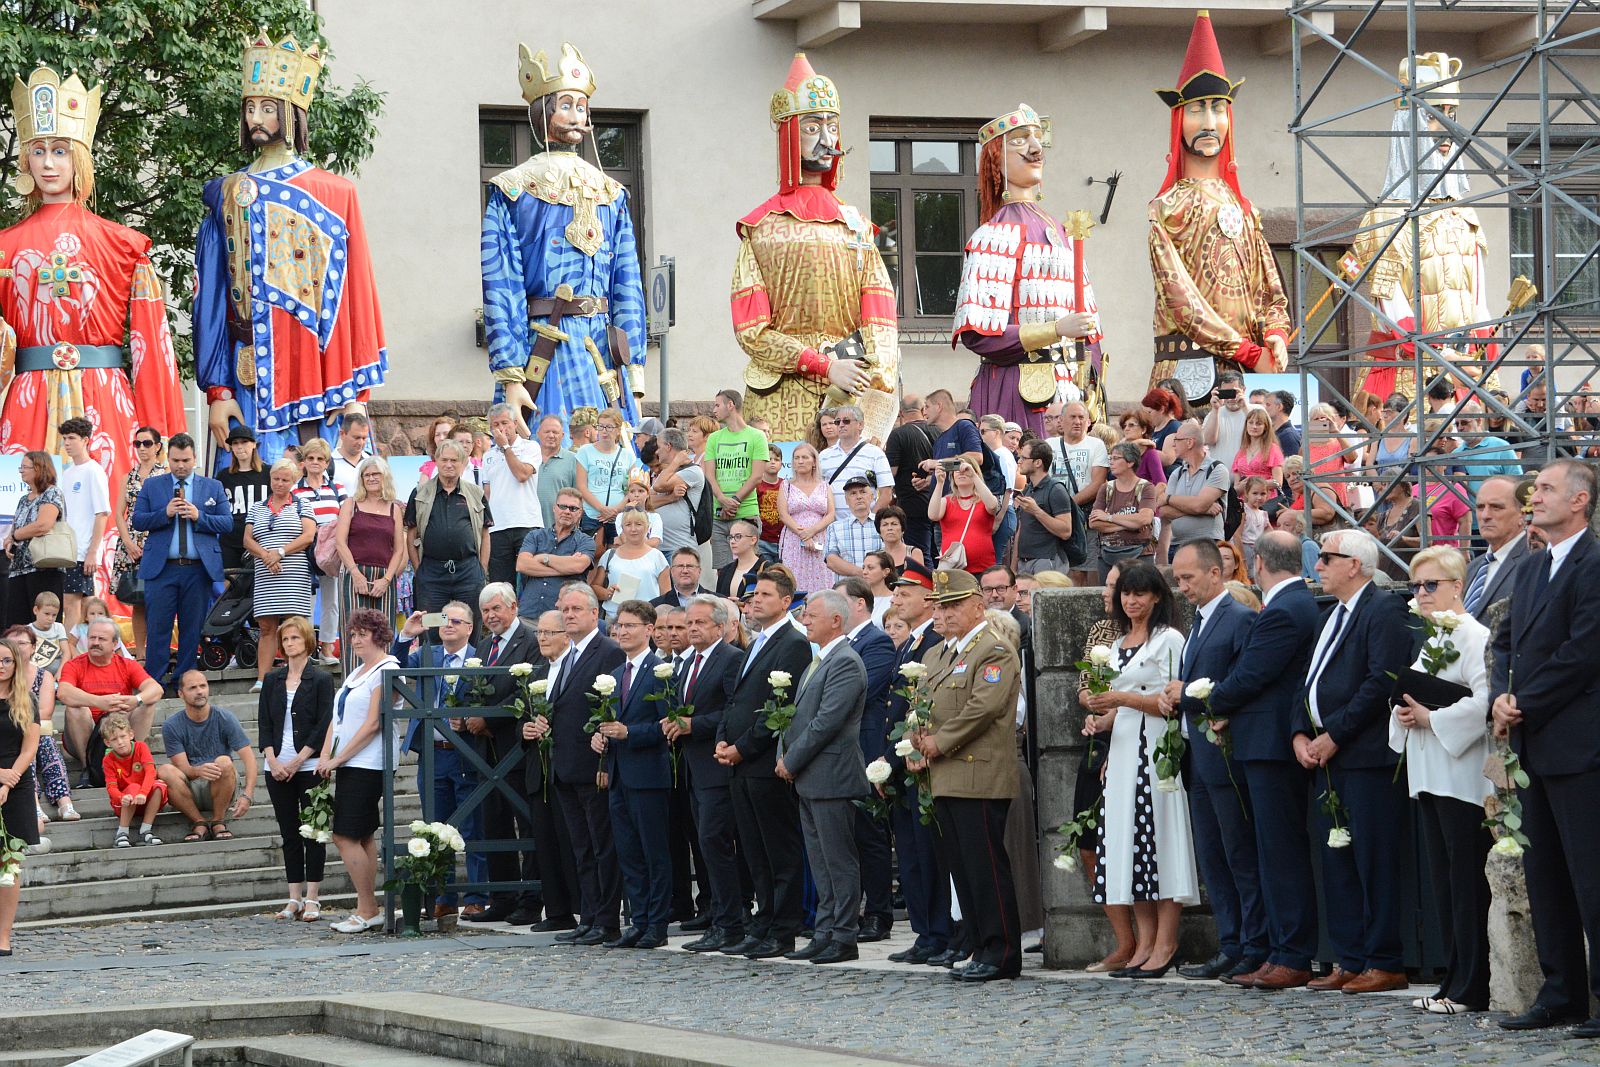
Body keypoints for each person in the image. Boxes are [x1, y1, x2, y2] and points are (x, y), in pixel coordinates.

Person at [194, 33, 385, 462]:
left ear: (291, 112)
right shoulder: (227, 194)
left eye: (267, 107)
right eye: (250, 107)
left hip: (323, 371)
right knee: (247, 505)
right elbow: (212, 299)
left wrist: (357, 391)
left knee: (330, 509)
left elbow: (354, 297)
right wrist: (218, 390)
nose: (256, 117)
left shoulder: (336, 193)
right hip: (248, 376)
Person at [0, 64, 185, 488]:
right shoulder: (4, 247)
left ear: (79, 157)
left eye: (61, 151)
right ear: (26, 157)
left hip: (104, 398)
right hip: (28, 402)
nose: (48, 163)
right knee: (22, 523)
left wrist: (162, 433)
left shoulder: (123, 245)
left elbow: (150, 349)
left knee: (111, 521)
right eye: (39, 150)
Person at [731, 53, 898, 444]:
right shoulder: (762, 227)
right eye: (812, 127)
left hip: (852, 385)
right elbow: (751, 330)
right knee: (780, 493)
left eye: (832, 126)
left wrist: (876, 374)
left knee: (852, 493)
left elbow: (880, 312)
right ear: (790, 133)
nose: (827, 139)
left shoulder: (855, 226)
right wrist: (823, 366)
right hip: (782, 393)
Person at [480, 42, 645, 433]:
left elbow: (627, 280)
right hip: (545, 348)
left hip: (602, 351)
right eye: (565, 105)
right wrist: (511, 372)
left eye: (581, 106)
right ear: (543, 113)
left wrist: (634, 367)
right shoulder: (513, 189)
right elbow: (501, 282)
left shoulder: (612, 192)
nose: (576, 116)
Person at [1490, 460, 1600, 1036]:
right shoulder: (1532, 568)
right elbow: (1505, 642)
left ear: (1580, 501)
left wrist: (1523, 700)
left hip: (1580, 744)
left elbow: (1585, 652)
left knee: (1591, 876)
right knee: (1545, 877)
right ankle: (1561, 994)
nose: (1535, 497)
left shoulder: (1595, 563)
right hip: (1531, 744)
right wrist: (1501, 698)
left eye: (1549, 489)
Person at [1206, 531, 1323, 990]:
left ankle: (1291, 952)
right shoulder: (1290, 604)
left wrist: (1205, 700)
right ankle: (1279, 949)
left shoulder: (1284, 609)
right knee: (1272, 852)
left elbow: (1252, 675)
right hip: (1265, 743)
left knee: (1280, 853)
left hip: (1272, 746)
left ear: (1256, 563)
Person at [1146, 18, 1289, 392]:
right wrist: (1244, 350)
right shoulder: (1167, 209)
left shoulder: (1244, 208)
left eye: (1218, 109)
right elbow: (1182, 300)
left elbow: (1270, 288)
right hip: (1188, 369)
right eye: (1197, 110)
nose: (1210, 121)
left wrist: (1275, 333)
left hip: (1250, 370)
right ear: (1179, 120)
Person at [1298, 529, 1412, 994]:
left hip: (1364, 757)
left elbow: (1379, 682)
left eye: (1327, 557)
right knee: (1337, 859)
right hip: (1326, 757)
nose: (1318, 565)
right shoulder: (1333, 613)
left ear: (1356, 565)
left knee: (1373, 859)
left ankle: (1384, 959)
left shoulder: (1381, 608)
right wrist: (1299, 733)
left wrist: (1334, 735)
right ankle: (1350, 957)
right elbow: (1310, 679)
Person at [950, 104, 1102, 437]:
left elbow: (1090, 331)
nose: (1035, 149)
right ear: (996, 159)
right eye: (1020, 141)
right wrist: (1055, 328)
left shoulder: (1062, 232)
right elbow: (980, 335)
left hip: (1073, 394)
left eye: (1037, 138)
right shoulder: (993, 235)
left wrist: (1093, 386)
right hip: (1018, 390)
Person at [1389, 546, 1493, 1014]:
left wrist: (1431, 717)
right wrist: (1407, 711)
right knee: (1444, 883)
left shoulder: (1472, 635)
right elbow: (1413, 696)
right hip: (1431, 772)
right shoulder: (1434, 639)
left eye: (1431, 585)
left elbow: (1484, 701)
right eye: (1415, 586)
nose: (1422, 594)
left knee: (1466, 881)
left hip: (1462, 773)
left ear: (1457, 587)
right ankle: (1453, 981)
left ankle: (1471, 985)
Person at [1080, 560, 1196, 978]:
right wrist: (1101, 717)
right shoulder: (1113, 645)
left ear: (1158, 597)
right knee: (1131, 848)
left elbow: (1170, 703)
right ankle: (1143, 943)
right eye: (1126, 593)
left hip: (1157, 753)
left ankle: (1166, 943)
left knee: (1159, 843)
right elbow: (1116, 702)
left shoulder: (1169, 640)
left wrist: (1120, 701)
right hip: (1125, 749)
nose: (1131, 600)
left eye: (1140, 593)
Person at [908, 569, 1023, 981]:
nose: (948, 613)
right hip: (944, 773)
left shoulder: (993, 650)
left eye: (955, 604)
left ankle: (1001, 952)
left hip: (978, 773)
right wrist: (913, 743)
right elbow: (918, 704)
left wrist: (939, 742)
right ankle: (979, 945)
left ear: (979, 604)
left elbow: (983, 707)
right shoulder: (937, 654)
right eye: (942, 606)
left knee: (985, 867)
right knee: (962, 868)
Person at [1161, 539, 1266, 981]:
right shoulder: (1200, 621)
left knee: (1238, 851)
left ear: (1215, 574)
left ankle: (1252, 944)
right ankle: (1230, 941)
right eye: (1178, 578)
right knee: (1212, 854)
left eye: (1188, 577)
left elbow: (1245, 682)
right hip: (1197, 753)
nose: (1182, 586)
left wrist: (1188, 695)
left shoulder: (1238, 618)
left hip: (1223, 751)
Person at [714, 566, 815, 958]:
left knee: (779, 848)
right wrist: (724, 738)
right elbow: (736, 698)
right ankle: (764, 920)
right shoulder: (755, 642)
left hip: (763, 763)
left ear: (786, 602)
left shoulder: (792, 642)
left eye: (766, 596)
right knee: (754, 848)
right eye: (753, 595)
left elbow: (779, 708)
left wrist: (743, 746)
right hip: (738, 761)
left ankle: (783, 927)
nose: (755, 600)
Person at [775, 589, 868, 965]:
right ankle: (825, 930)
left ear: (835, 620)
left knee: (838, 859)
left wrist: (791, 759)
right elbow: (799, 718)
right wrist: (785, 753)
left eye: (811, 614)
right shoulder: (820, 660)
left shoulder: (844, 661)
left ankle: (843, 935)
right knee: (820, 859)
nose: (805, 619)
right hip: (811, 775)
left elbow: (826, 722)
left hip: (831, 774)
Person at [392, 605, 491, 921]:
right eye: (443, 619)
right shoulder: (427, 655)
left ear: (470, 627)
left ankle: (477, 896)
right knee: (434, 827)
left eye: (456, 621)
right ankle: (443, 897)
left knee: (474, 827)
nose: (448, 625)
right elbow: (395, 667)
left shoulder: (480, 656)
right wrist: (407, 635)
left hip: (467, 752)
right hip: (432, 754)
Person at [586, 600, 673, 948]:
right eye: (618, 626)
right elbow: (610, 722)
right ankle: (637, 920)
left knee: (654, 852)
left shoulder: (659, 669)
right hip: (619, 775)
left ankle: (657, 923)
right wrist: (600, 736)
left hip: (649, 775)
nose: (621, 632)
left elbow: (668, 725)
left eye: (630, 626)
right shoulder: (618, 674)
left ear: (649, 630)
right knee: (629, 853)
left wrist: (630, 733)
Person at [547, 583, 626, 946]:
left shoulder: (607, 651)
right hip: (566, 764)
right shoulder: (568, 654)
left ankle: (607, 919)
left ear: (595, 613)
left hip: (594, 765)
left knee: (601, 845)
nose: (569, 615)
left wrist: (606, 758)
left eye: (576, 609)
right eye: (565, 610)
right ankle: (589, 914)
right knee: (581, 846)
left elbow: (611, 708)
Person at [668, 596, 747, 953]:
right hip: (692, 768)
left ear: (720, 626)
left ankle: (730, 922)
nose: (693, 628)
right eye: (689, 623)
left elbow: (734, 713)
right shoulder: (688, 663)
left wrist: (692, 725)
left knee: (716, 843)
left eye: (700, 622)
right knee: (705, 845)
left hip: (717, 768)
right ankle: (718, 915)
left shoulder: (731, 659)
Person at [315, 609, 399, 934]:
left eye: (363, 632)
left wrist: (337, 760)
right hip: (350, 761)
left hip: (369, 762)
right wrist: (326, 754)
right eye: (353, 634)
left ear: (378, 634)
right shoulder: (356, 673)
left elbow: (374, 723)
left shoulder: (387, 669)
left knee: (344, 835)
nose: (357, 639)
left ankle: (368, 907)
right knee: (361, 834)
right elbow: (337, 719)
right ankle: (367, 907)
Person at [132, 433, 232, 693]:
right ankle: (153, 683)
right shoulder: (153, 486)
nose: (180, 465)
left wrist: (200, 516)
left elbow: (227, 522)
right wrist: (164, 513)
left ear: (195, 458)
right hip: (162, 569)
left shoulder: (212, 487)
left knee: (191, 629)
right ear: (168, 457)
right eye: (176, 460)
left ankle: (183, 683)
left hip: (197, 569)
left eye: (186, 460)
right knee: (158, 627)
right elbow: (138, 520)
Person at [831, 578, 897, 943]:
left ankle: (878, 913)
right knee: (845, 836)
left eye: (838, 601)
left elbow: (857, 690)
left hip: (865, 750)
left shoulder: (877, 642)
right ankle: (847, 911)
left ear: (859, 604)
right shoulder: (836, 646)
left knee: (870, 836)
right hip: (839, 753)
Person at [258, 615, 334, 923]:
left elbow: (324, 724)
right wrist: (274, 760)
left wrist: (298, 760)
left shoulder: (321, 679)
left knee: (314, 831)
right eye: (285, 639)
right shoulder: (273, 679)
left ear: (307, 641)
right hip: (275, 765)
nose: (289, 644)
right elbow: (264, 723)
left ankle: (313, 897)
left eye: (295, 638)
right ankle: (294, 897)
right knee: (289, 832)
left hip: (310, 764)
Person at [511, 610, 581, 930]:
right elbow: (520, 721)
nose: (541, 638)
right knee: (545, 842)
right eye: (539, 633)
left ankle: (584, 908)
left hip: (568, 769)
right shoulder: (536, 674)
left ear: (567, 636)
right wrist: (525, 730)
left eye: (548, 633)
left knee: (572, 842)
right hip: (539, 772)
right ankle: (556, 911)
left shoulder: (575, 669)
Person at [1072, 563, 1126, 968]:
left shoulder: (1155, 636)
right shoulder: (1099, 631)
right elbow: (1085, 683)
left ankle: (1143, 941)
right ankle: (1122, 937)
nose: (1107, 593)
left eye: (1114, 586)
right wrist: (1091, 704)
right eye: (1106, 585)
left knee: (1130, 842)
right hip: (1096, 738)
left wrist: (1110, 711)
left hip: (1130, 737)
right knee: (1087, 842)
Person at [155, 671, 258, 844]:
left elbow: (249, 759)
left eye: (203, 686)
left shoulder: (225, 718)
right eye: (193, 688)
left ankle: (218, 820)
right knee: (164, 770)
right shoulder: (172, 725)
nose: (200, 691)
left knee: (224, 761)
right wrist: (199, 770)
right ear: (181, 694)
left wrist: (247, 795)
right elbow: (183, 769)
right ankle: (198, 821)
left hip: (221, 786)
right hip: (190, 790)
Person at [245, 459, 317, 691]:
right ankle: (262, 679)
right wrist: (267, 556)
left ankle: (297, 676)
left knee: (295, 626)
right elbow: (247, 540)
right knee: (266, 627)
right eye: (276, 478)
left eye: (285, 480)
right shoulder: (257, 507)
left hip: (293, 574)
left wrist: (281, 553)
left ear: (294, 481)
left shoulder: (302, 505)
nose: (280, 483)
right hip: (266, 574)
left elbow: (308, 536)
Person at [405, 439, 492, 623]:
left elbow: (485, 532)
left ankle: (469, 654)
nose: (449, 465)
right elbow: (411, 532)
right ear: (436, 461)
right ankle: (435, 653)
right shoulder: (420, 493)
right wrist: (418, 569)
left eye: (454, 460)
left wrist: (481, 569)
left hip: (468, 572)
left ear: (463, 463)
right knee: (433, 627)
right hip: (432, 573)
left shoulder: (476, 493)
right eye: (444, 460)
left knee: (468, 625)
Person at [333, 457, 406, 672]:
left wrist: (387, 579)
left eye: (376, 474)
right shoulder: (350, 504)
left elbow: (399, 550)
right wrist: (355, 574)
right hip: (354, 574)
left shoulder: (394, 509)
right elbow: (340, 542)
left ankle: (383, 688)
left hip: (384, 576)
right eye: (367, 475)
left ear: (385, 477)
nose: (372, 478)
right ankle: (353, 686)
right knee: (356, 632)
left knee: (383, 633)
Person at [4, 627, 72, 824]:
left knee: (43, 742)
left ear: (33, 648)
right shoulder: (3, 676)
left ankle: (64, 801)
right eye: (12, 644)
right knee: (28, 747)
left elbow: (45, 711)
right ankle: (32, 802)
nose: (17, 648)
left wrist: (21, 723)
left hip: (35, 728)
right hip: (9, 735)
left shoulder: (44, 676)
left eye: (22, 643)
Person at [0, 637, 41, 955]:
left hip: (18, 784)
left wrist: (8, 780)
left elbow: (30, 747)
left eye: (6, 661)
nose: (1, 666)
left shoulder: (26, 698)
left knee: (10, 864)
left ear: (16, 664)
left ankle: (3, 936)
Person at [112, 427, 169, 656]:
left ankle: (159, 649)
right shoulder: (129, 476)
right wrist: (127, 541)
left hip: (157, 540)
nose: (142, 448)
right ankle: (141, 652)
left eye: (147, 443)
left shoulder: (165, 474)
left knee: (160, 598)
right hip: (132, 542)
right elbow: (119, 513)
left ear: (157, 447)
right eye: (138, 444)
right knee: (138, 598)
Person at [54, 417, 112, 633]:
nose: (67, 443)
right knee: (77, 603)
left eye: (72, 438)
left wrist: (92, 552)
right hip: (64, 549)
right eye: (65, 438)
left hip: (81, 551)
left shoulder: (93, 471)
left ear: (85, 440)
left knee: (73, 604)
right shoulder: (67, 473)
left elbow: (102, 513)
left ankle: (67, 653)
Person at [702, 390, 770, 569]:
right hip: (719, 516)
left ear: (730, 405)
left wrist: (734, 501)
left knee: (748, 569)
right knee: (723, 571)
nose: (714, 410)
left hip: (746, 513)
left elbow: (757, 476)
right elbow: (709, 474)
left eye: (717, 405)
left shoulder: (756, 436)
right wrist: (723, 500)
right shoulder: (714, 438)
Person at [290, 439, 345, 663]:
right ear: (303, 462)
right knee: (305, 601)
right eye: (310, 458)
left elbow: (346, 517)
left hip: (330, 552)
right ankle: (305, 649)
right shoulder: (295, 490)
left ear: (326, 462)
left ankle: (327, 649)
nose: (315, 462)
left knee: (331, 601)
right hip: (305, 549)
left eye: (319, 459)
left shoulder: (337, 488)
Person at [480, 402, 542, 586]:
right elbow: (487, 492)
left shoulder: (530, 447)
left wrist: (506, 448)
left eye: (505, 423)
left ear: (515, 423)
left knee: (532, 581)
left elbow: (522, 474)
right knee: (501, 584)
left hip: (527, 522)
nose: (501, 428)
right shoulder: (488, 456)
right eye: (496, 425)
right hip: (498, 526)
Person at [3, 452, 66, 631]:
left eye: (25, 467)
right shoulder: (23, 499)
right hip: (18, 569)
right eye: (20, 467)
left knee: (43, 625)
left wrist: (15, 536)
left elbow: (43, 525)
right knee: (16, 625)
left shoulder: (52, 493)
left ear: (39, 468)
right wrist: (9, 540)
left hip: (44, 567)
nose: (21, 471)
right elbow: (16, 529)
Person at [1462, 475, 1529, 620]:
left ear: (1522, 514)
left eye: (1496, 507)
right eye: (1480, 507)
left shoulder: (1534, 565)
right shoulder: (1471, 569)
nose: (1485, 515)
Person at [1161, 421, 1229, 560]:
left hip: (1207, 544)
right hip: (1177, 546)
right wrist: (1203, 509)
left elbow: (1199, 505)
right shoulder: (1177, 473)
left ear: (1190, 442)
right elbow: (1164, 511)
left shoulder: (1217, 469)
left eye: (1176, 440)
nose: (1173, 444)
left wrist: (1168, 498)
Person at [1091, 443, 1160, 579]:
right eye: (1110, 458)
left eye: (1116, 458)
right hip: (1108, 555)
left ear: (1130, 462)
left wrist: (1109, 518)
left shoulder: (1146, 487)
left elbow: (1144, 519)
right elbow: (1094, 523)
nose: (1111, 462)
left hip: (1140, 555)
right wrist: (1130, 524)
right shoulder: (1106, 488)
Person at [99, 712, 163, 847]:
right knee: (133, 787)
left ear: (131, 735)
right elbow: (111, 787)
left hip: (144, 799)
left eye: (123, 736)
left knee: (159, 786)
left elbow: (151, 772)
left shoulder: (141, 747)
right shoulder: (108, 760)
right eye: (114, 739)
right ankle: (122, 832)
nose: (120, 742)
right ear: (107, 742)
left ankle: (146, 830)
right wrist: (121, 797)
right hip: (124, 803)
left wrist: (143, 793)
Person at [777, 442, 835, 592]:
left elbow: (831, 514)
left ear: (814, 461)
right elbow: (783, 514)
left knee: (822, 576)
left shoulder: (824, 486)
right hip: (793, 539)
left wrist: (812, 531)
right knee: (794, 577)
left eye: (804, 457)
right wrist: (804, 535)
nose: (800, 461)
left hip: (820, 537)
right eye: (796, 458)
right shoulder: (786, 485)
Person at [1014, 439, 1078, 574]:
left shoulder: (1055, 490)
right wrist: (1013, 566)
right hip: (1024, 562)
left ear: (1038, 462)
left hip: (1046, 561)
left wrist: (1037, 511)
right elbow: (1021, 529)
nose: (1019, 461)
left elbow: (1066, 531)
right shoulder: (1028, 489)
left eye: (1024, 458)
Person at [927, 458, 1000, 575]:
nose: (961, 472)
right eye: (956, 469)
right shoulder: (947, 501)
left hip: (983, 569)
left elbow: (992, 506)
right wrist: (939, 483)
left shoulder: (984, 500)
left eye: (965, 469)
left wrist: (974, 475)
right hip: (953, 570)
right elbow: (932, 515)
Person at [592, 511, 670, 618]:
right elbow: (594, 587)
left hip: (647, 619)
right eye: (628, 525)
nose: (633, 529)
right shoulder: (609, 555)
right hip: (615, 619)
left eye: (638, 524)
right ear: (622, 528)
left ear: (647, 527)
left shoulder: (657, 556)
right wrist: (607, 593)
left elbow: (666, 595)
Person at [573, 410, 638, 539]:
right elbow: (581, 486)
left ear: (618, 430)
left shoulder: (628, 456)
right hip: (592, 515)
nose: (604, 431)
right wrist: (602, 509)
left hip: (619, 516)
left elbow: (633, 488)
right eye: (600, 426)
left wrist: (616, 510)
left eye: (609, 427)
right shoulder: (585, 451)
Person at [885, 395, 936, 555]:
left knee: (919, 554)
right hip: (941, 503)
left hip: (912, 505)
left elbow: (891, 472)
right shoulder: (939, 431)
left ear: (901, 413)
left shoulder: (898, 435)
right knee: (940, 555)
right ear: (922, 410)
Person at [214, 426, 268, 575]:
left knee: (258, 587)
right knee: (230, 588)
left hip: (261, 540)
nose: (239, 447)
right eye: (235, 443)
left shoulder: (268, 473)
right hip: (230, 541)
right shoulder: (223, 476)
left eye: (244, 442)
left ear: (254, 444)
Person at [647, 428, 706, 561]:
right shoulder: (667, 472)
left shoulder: (693, 471)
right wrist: (670, 497)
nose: (656, 451)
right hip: (658, 548)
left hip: (680, 547)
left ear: (668, 446)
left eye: (659, 446)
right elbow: (646, 502)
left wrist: (675, 462)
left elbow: (658, 486)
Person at [823, 477, 886, 579]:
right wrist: (864, 574)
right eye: (853, 493)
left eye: (863, 492)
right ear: (846, 500)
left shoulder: (884, 523)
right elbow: (831, 561)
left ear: (871, 496)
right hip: (848, 589)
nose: (859, 497)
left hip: (880, 586)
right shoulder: (834, 527)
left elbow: (895, 553)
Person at [533, 415, 580, 530]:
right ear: (538, 433)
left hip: (560, 530)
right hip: (528, 528)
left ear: (563, 435)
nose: (551, 435)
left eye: (555, 432)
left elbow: (579, 498)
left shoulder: (573, 460)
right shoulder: (528, 457)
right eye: (547, 432)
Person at [1231, 407, 1284, 489]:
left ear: (1265, 427)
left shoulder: (1273, 449)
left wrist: (1254, 484)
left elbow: (1278, 482)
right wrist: (1239, 488)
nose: (1254, 426)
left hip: (1266, 499)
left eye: (1258, 424)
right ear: (1246, 425)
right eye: (1251, 423)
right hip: (1244, 500)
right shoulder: (1241, 451)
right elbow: (1236, 486)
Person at [715, 521, 765, 599]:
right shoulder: (725, 570)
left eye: (738, 537)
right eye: (731, 537)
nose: (732, 541)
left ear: (753, 540)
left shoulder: (767, 569)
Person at [612, 476, 663, 548]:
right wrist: (628, 510)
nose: (636, 495)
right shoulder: (621, 516)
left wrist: (632, 543)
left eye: (641, 491)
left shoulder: (654, 516)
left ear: (647, 494)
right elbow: (625, 540)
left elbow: (654, 542)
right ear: (628, 495)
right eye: (632, 491)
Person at [329, 414, 371, 496]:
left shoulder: (372, 461)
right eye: (356, 437)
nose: (361, 443)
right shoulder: (328, 463)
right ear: (342, 434)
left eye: (364, 438)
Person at [859, 552, 896, 627]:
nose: (864, 572)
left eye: (870, 568)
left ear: (886, 572)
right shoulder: (859, 600)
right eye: (863, 568)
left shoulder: (894, 600)